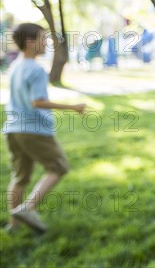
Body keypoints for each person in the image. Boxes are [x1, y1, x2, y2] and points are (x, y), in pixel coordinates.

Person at [3, 23, 86, 233]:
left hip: (13, 128)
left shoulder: (15, 66)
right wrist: (72, 107)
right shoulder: (36, 69)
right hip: (33, 129)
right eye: (43, 38)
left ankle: (14, 226)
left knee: (20, 177)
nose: (47, 42)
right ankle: (28, 208)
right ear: (31, 43)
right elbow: (37, 102)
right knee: (58, 167)